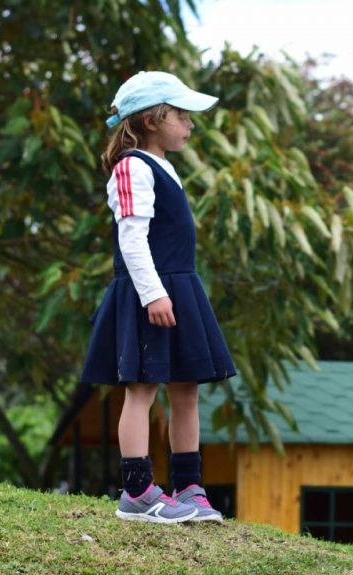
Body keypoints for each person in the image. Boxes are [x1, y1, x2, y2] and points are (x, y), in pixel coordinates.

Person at [80, 71, 236, 524]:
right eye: (181, 115)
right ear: (151, 119)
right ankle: (137, 492)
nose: (190, 124)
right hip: (152, 291)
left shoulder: (164, 165)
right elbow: (132, 238)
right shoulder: (132, 166)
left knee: (186, 389)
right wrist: (153, 294)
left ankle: (188, 487)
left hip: (179, 288)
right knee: (142, 388)